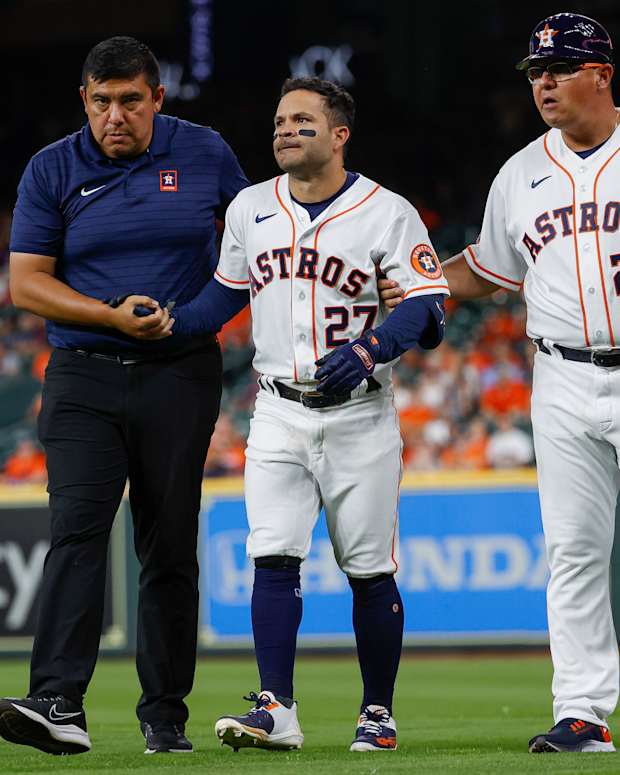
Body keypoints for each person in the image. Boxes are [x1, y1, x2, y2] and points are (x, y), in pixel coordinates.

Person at [169, 76, 449, 752]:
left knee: (369, 568)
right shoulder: (250, 206)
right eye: (279, 121)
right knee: (272, 554)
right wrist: (169, 321)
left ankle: (377, 711)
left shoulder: (386, 210)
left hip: (360, 412)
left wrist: (372, 346)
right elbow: (224, 296)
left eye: (302, 120)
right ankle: (277, 708)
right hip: (277, 409)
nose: (285, 130)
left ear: (339, 134)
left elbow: (426, 301)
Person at [0, 36, 248, 755]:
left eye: (131, 101)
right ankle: (57, 701)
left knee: (168, 542)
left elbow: (256, 245)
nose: (116, 116)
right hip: (83, 373)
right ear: (83, 100)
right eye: (102, 101)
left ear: (157, 98)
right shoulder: (52, 167)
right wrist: (109, 315)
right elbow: (27, 283)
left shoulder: (204, 152)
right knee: (76, 530)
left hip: (180, 370)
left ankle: (164, 717)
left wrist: (193, 317)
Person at [382, 11, 619, 754]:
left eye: (560, 68)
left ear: (602, 74)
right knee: (574, 550)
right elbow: (487, 270)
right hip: (562, 374)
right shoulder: (520, 174)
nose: (543, 82)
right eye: (536, 71)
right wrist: (420, 283)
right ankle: (582, 711)